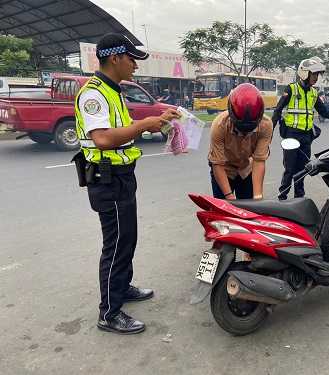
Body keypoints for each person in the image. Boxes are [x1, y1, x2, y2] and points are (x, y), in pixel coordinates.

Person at [74, 33, 181, 334]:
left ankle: (121, 288)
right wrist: (145, 124)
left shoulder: (113, 90)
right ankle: (109, 313)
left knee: (127, 238)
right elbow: (103, 138)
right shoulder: (93, 94)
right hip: (106, 179)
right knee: (117, 243)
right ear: (114, 58)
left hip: (121, 177)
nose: (135, 65)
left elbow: (122, 130)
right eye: (132, 58)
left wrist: (155, 122)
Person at [272, 56, 329, 200]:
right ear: (305, 73)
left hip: (306, 137)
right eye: (314, 74)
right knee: (289, 168)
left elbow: (326, 113)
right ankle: (282, 197)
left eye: (317, 74)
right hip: (291, 135)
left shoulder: (313, 93)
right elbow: (277, 111)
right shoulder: (291, 89)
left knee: (302, 168)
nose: (316, 77)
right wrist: (269, 131)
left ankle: (299, 197)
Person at [208, 83, 273, 200]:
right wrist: (229, 196)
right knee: (224, 211)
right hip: (224, 168)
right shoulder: (219, 125)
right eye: (240, 130)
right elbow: (217, 163)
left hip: (246, 169)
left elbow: (259, 160)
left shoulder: (266, 125)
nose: (244, 134)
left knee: (249, 210)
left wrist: (258, 198)